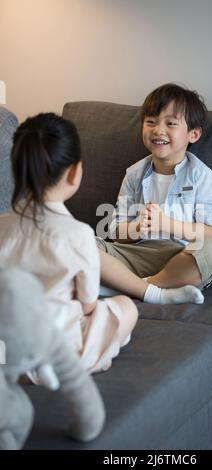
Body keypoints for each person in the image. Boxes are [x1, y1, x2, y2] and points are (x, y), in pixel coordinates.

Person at [0, 112, 138, 374]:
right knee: (125, 307)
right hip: (55, 351)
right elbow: (87, 306)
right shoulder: (78, 234)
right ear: (75, 172)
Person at [97, 83, 212, 303]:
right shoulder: (134, 174)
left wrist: (165, 225)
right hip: (138, 254)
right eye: (151, 122)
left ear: (194, 134)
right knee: (83, 244)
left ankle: (137, 287)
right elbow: (115, 232)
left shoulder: (201, 176)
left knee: (208, 252)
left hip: (180, 255)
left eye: (170, 123)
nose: (158, 130)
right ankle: (149, 290)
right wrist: (139, 227)